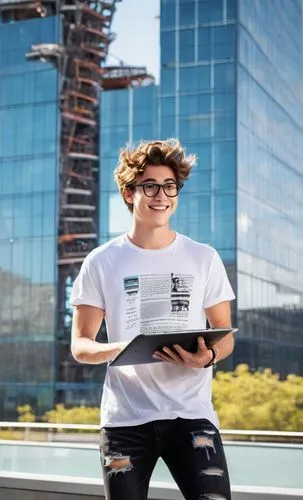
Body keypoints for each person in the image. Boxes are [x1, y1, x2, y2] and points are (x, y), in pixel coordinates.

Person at [70, 138, 235, 500]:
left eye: (169, 186)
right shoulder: (101, 261)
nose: (161, 195)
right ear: (130, 194)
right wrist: (121, 347)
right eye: (150, 186)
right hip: (124, 420)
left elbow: (225, 337)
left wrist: (206, 357)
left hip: (191, 413)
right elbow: (81, 346)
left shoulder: (203, 257)